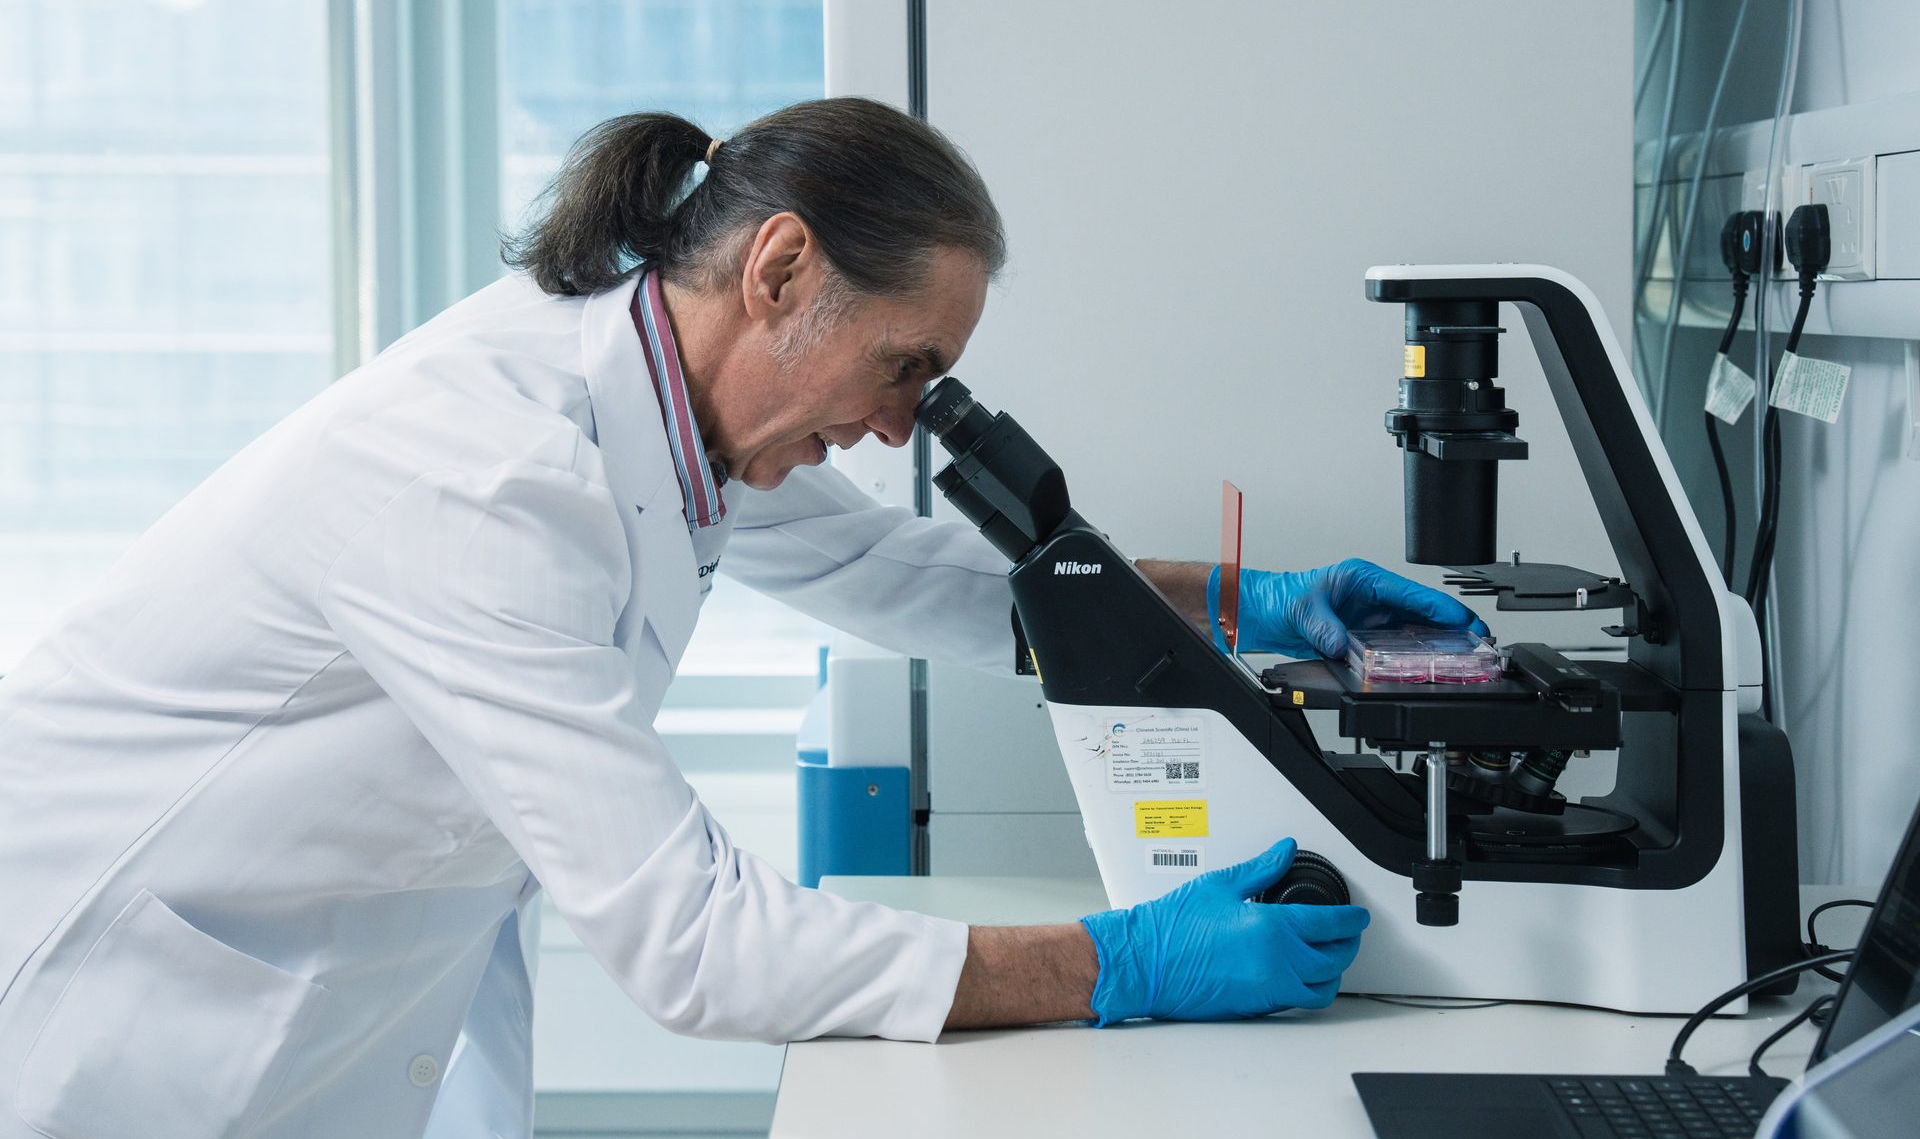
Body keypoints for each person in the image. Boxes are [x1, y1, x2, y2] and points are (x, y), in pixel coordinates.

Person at [0, 98, 1479, 1138]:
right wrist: (1114, 964)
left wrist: (1248, 603)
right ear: (780, 272)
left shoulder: (661, 397)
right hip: (98, 1026)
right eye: (905, 368)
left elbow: (899, 574)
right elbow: (691, 940)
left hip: (297, 1009)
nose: (905, 429)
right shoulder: (487, 479)